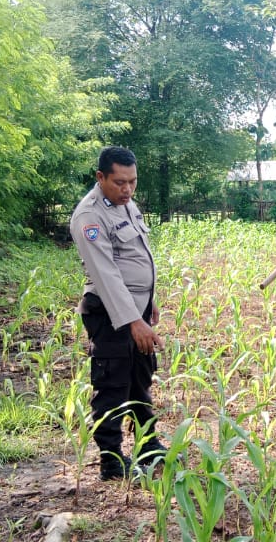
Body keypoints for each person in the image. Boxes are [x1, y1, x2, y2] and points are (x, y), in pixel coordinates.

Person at [69, 146, 166, 481]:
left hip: (136, 307)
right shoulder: (89, 216)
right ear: (101, 177)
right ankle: (111, 460)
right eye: (119, 182)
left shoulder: (126, 204)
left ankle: (148, 444)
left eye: (133, 182)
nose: (127, 189)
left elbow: (136, 255)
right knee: (113, 384)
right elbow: (106, 275)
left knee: (140, 379)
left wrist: (149, 299)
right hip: (111, 313)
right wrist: (134, 321)